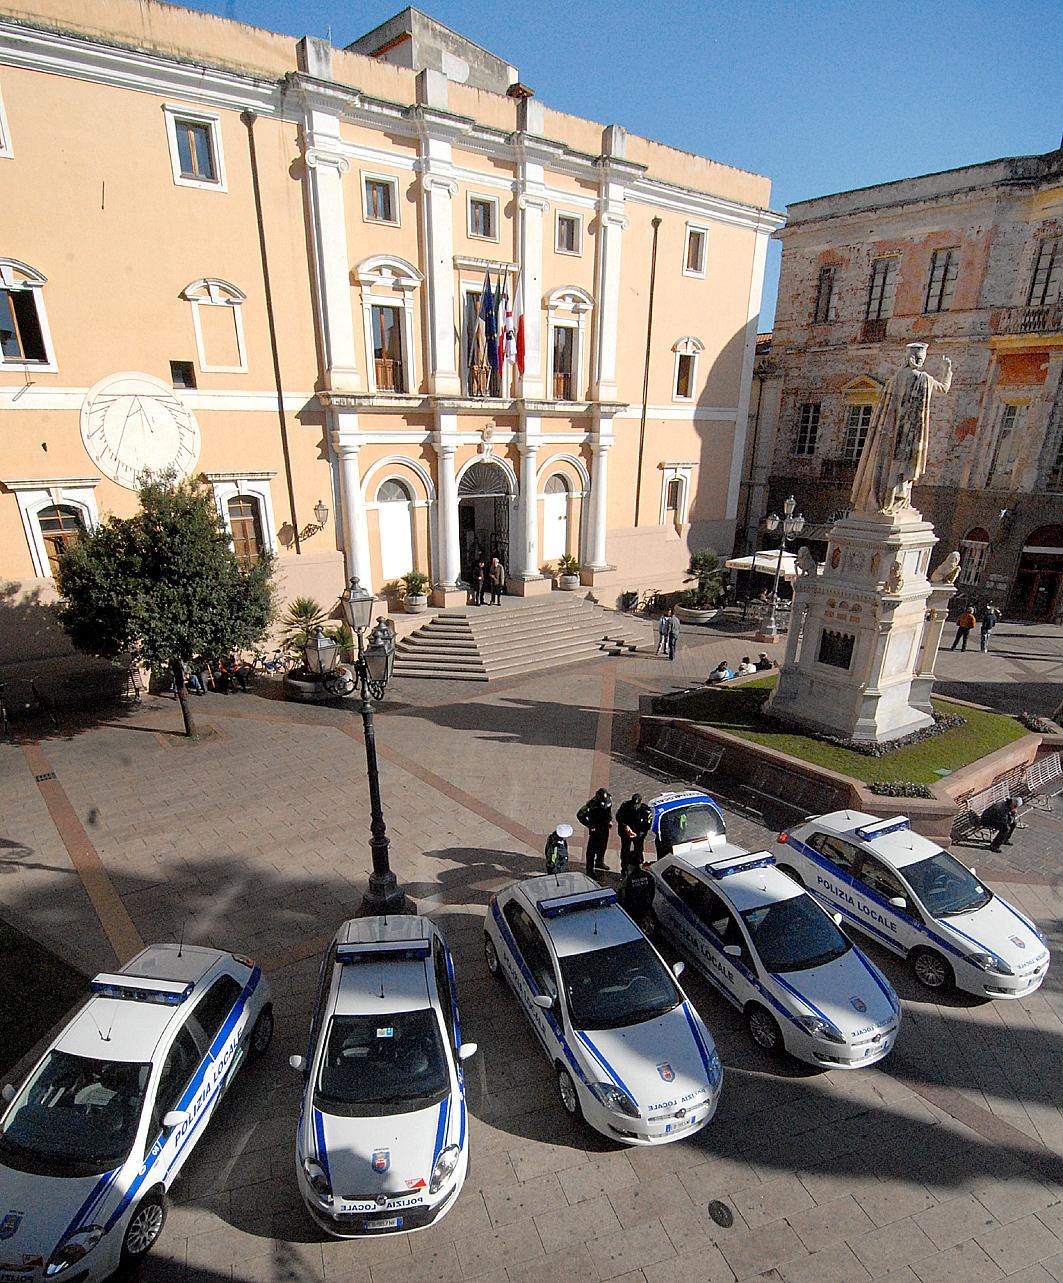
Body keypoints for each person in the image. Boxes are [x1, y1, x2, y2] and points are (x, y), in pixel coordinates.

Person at [850, 342, 952, 514]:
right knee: (903, 468)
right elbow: (943, 388)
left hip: (888, 435)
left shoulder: (893, 380)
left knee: (889, 467)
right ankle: (897, 502)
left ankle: (886, 501)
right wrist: (946, 370)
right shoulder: (923, 379)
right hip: (909, 434)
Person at [576, 787, 613, 875]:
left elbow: (609, 811)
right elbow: (580, 815)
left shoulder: (609, 799)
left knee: (603, 846)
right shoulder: (591, 804)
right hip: (595, 828)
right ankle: (590, 869)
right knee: (591, 850)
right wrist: (589, 825)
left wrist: (610, 820)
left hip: (605, 827)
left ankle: (599, 862)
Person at [616, 793, 653, 870]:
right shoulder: (625, 806)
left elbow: (647, 826)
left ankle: (639, 867)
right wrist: (625, 826)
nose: (635, 807)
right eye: (634, 805)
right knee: (625, 850)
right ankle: (624, 868)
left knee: (639, 851)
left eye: (637, 805)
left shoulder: (646, 811)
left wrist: (638, 834)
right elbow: (619, 817)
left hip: (639, 834)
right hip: (626, 833)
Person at [618, 861, 656, 928]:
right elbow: (652, 892)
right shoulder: (649, 876)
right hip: (646, 907)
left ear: (630, 866)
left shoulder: (628, 879)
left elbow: (623, 895)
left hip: (634, 910)